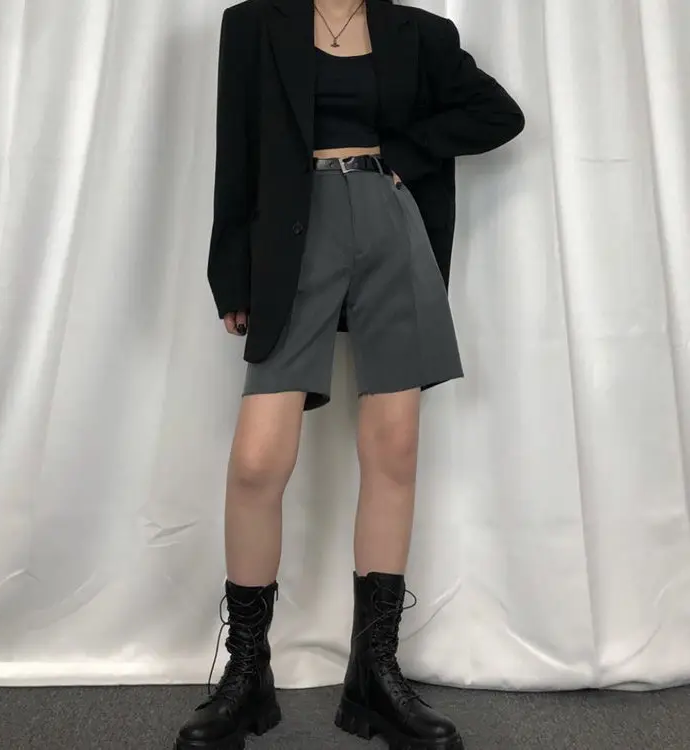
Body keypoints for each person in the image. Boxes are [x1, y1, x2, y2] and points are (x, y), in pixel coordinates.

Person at [176, 0, 524, 747]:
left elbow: (500, 114)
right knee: (257, 462)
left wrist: (404, 153)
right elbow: (236, 150)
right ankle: (247, 673)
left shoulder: (421, 33)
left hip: (391, 229)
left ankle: (374, 674)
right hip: (293, 235)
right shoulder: (254, 24)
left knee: (394, 449)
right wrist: (231, 274)